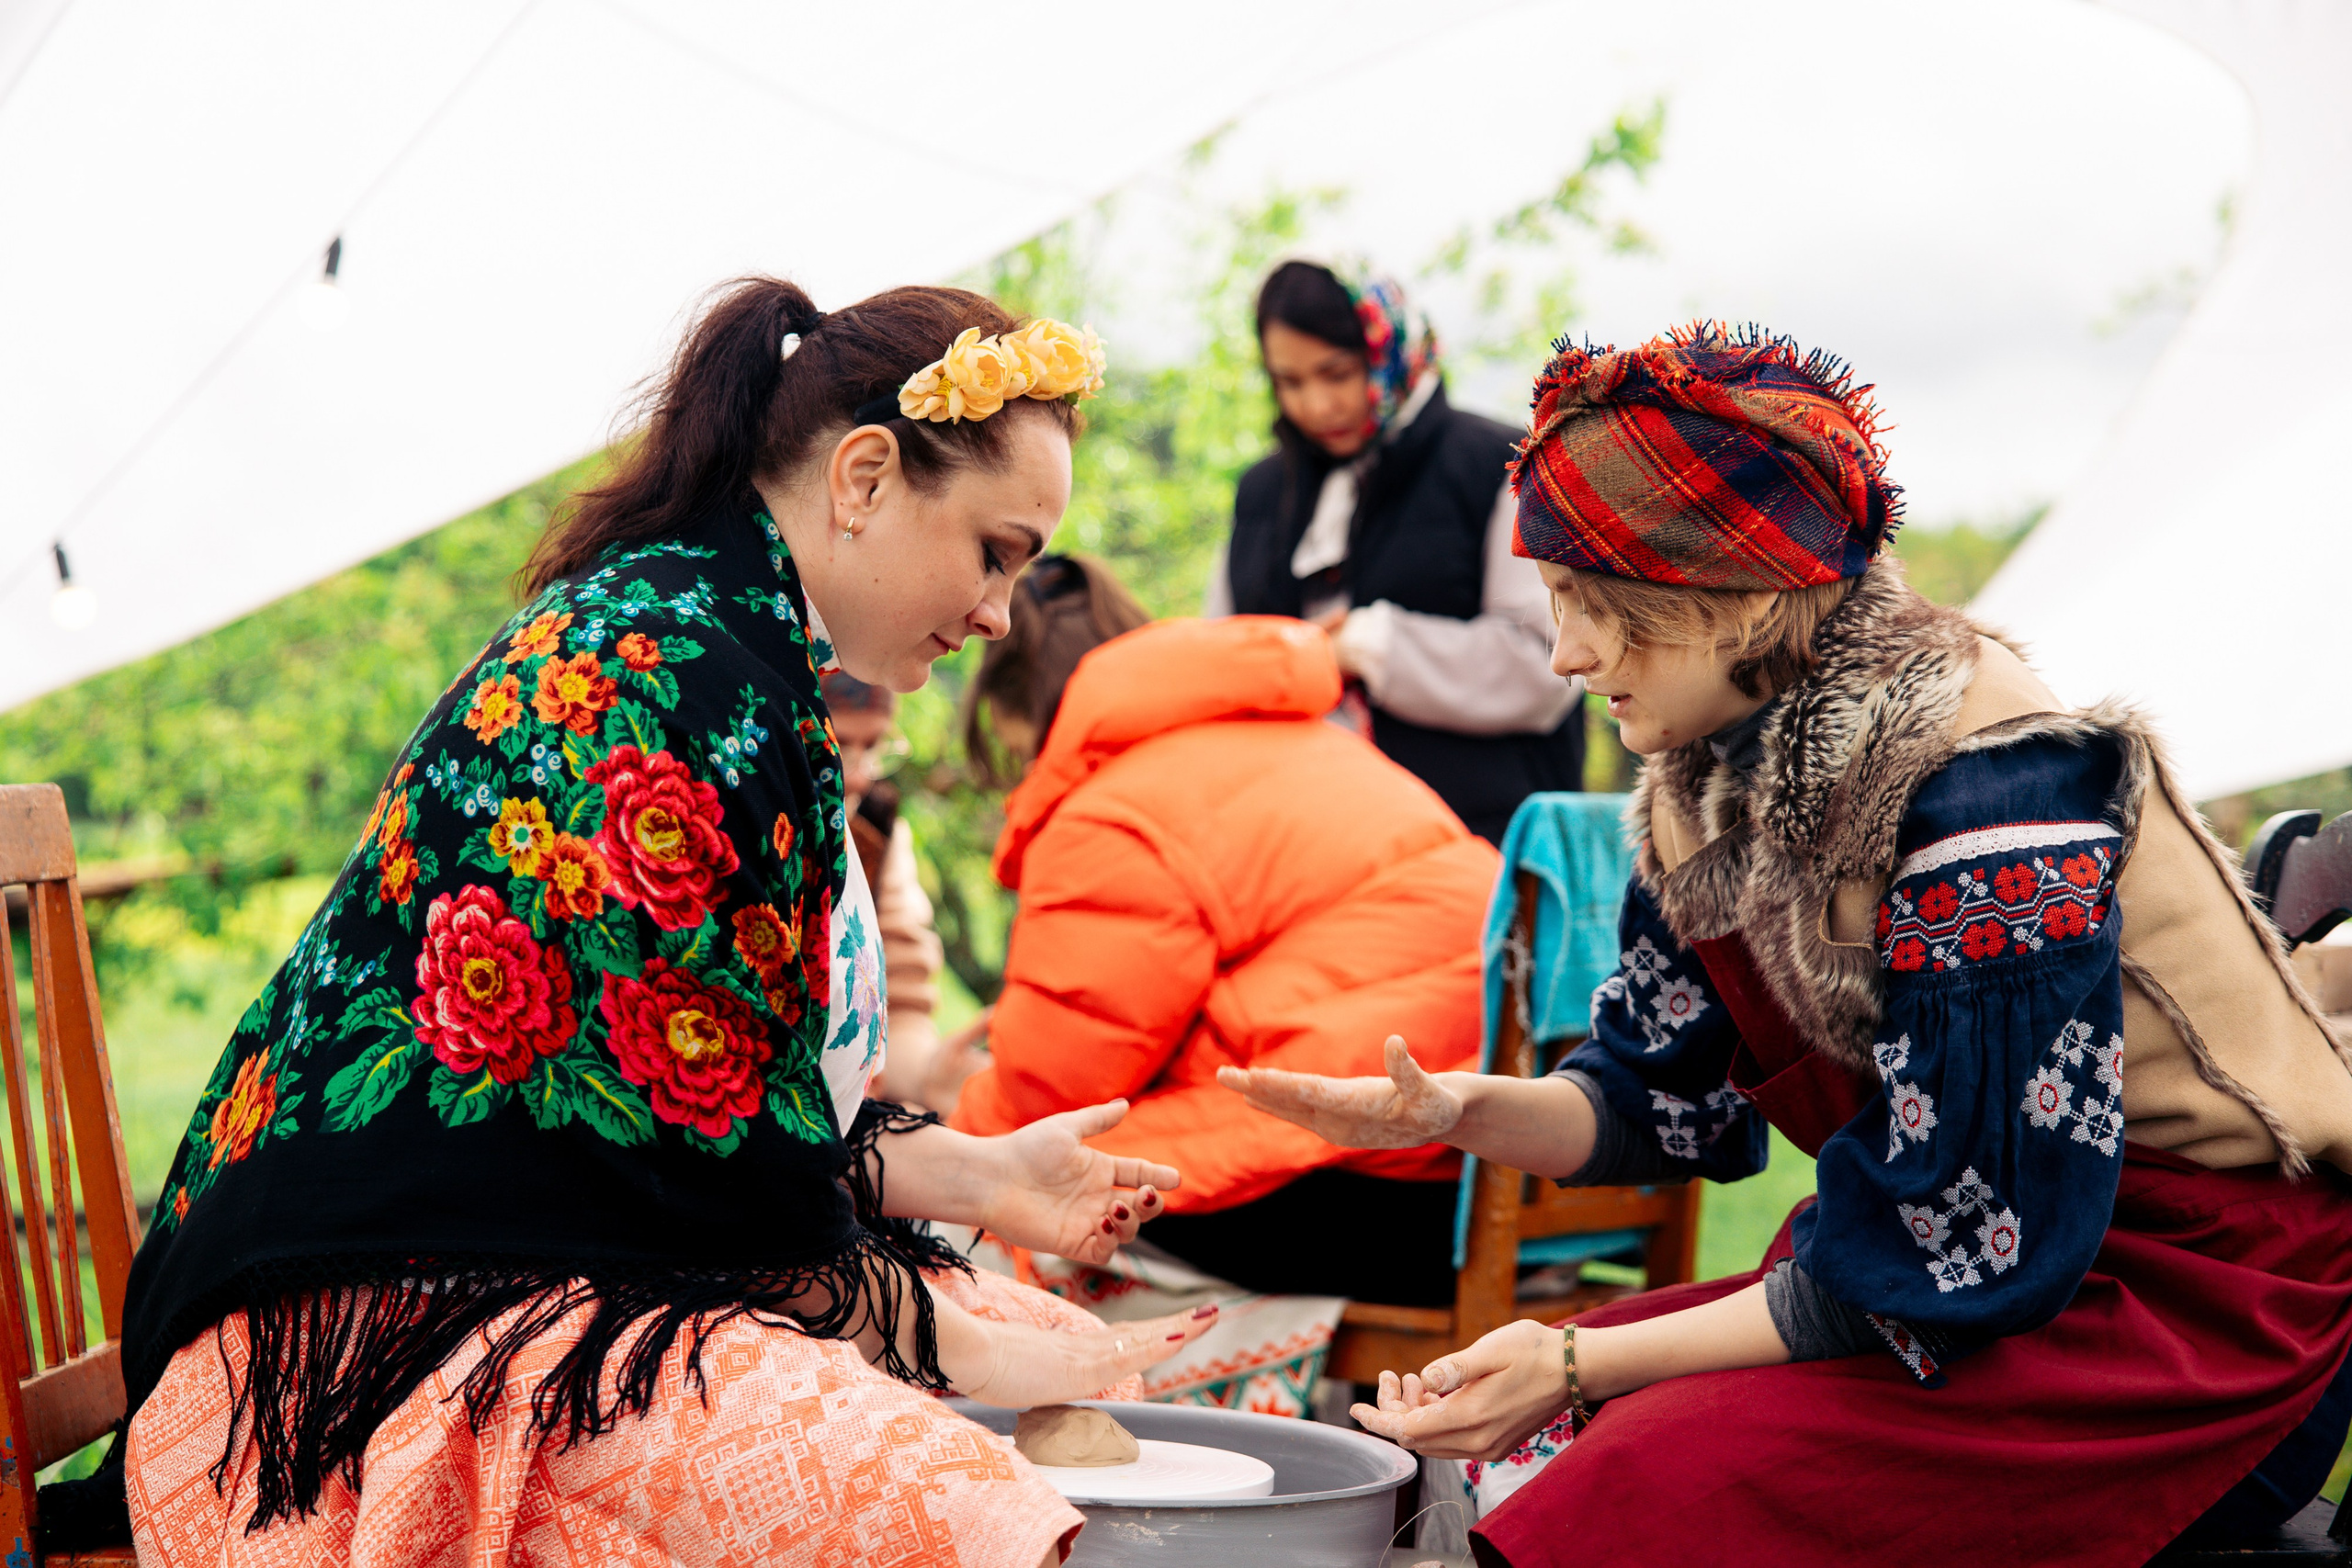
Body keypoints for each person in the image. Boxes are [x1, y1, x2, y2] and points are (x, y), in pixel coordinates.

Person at [112, 280, 1221, 1568]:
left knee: (984, 1328)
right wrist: (941, 1332)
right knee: (964, 1491)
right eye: (995, 551)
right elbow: (702, 1181)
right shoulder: (678, 671)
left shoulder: (717, 645)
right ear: (864, 474)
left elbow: (685, 1121)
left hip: (485, 1274)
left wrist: (978, 1182)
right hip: (345, 1358)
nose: (996, 616)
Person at [1224, 323, 2352, 1567]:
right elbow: (1653, 1095)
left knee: (1642, 1474)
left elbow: (1973, 1244)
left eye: (1602, 609)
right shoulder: (1704, 771)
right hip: (1964, 1262)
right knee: (1538, 1445)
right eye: (1557, 605)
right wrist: (1454, 1111)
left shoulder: (1988, 795)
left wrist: (1570, 1353)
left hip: (2190, 1311)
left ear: (1745, 593)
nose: (1566, 655)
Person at [945, 554, 1499, 1306]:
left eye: (1014, 755)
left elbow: (1053, 1093)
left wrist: (945, 1123)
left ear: (1032, 716)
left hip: (1370, 1190)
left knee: (997, 1205)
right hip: (1494, 1155)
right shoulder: (1300, 738)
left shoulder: (1108, 814)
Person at [1208, 258, 1583, 842]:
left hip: (1480, 845)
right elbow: (1220, 656)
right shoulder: (1262, 493)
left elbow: (1550, 666)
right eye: (1291, 381)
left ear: (1389, 353)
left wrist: (1367, 645)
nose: (1317, 405)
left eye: (1336, 373)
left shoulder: (1498, 464)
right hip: (1302, 842)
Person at [819, 666, 978, 1111]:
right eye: (837, 744)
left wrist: (932, 1079)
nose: (859, 775)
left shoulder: (876, 830)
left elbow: (904, 998)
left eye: (872, 748)